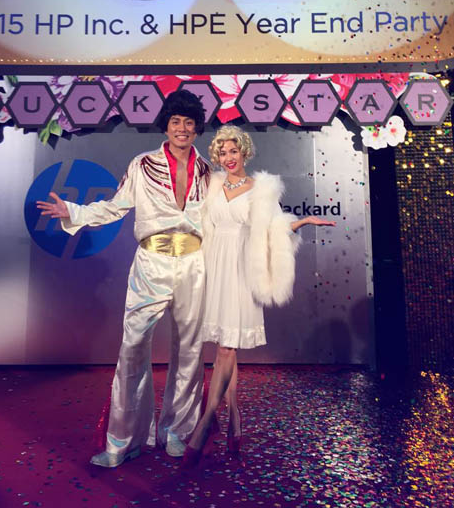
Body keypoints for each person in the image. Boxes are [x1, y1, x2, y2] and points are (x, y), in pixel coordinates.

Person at [37, 90, 211, 467]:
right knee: (132, 347)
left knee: (190, 351)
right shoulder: (143, 164)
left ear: (197, 128)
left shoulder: (207, 170)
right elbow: (116, 206)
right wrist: (74, 211)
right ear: (166, 125)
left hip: (195, 264)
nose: (182, 128)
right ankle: (122, 441)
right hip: (151, 263)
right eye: (175, 121)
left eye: (189, 122)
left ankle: (177, 432)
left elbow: (222, 222)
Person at [183, 125, 336, 466]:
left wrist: (300, 223)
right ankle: (235, 419)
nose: (229, 158)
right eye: (223, 152)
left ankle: (205, 424)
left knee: (227, 348)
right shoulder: (212, 185)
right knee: (224, 345)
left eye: (234, 151)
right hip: (213, 266)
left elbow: (274, 227)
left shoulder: (261, 189)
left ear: (245, 152)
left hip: (242, 269)